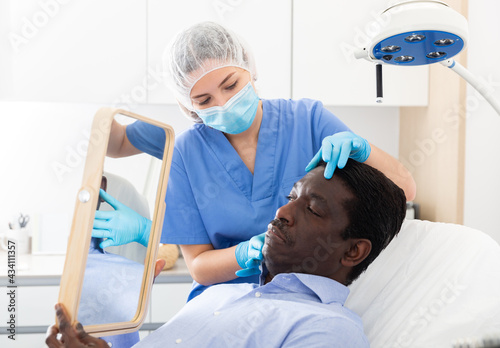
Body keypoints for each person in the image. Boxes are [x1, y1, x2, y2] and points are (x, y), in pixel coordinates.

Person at [92, 21, 416, 302]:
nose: (224, 103)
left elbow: (405, 189)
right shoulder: (186, 151)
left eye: (231, 85)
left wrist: (362, 150)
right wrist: (244, 253)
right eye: (204, 100)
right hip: (220, 303)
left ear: (249, 66)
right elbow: (198, 266)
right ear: (187, 105)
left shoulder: (308, 120)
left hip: (304, 296)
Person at [47, 160, 407, 348]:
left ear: (353, 251)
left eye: (311, 209)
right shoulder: (221, 293)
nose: (282, 213)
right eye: (290, 197)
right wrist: (112, 327)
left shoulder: (327, 329)